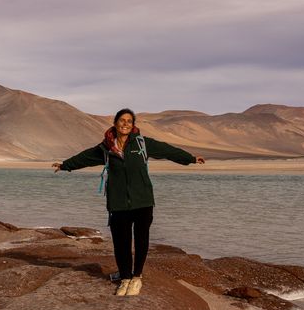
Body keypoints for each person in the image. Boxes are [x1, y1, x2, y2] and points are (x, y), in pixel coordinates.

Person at [53, 108, 205, 296]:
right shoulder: (106, 148)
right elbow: (85, 157)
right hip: (118, 203)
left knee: (141, 240)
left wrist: (189, 159)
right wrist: (65, 165)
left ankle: (137, 277)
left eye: (129, 121)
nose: (125, 124)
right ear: (115, 123)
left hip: (143, 201)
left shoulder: (142, 143)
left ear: (133, 125)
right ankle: (125, 277)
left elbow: (167, 150)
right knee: (121, 242)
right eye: (122, 120)